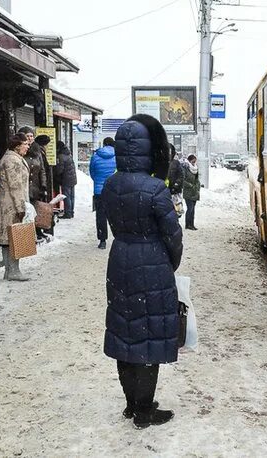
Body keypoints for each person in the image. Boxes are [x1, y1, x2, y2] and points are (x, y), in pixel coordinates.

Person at [102, 114, 183, 428]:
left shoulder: (111, 184)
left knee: (126, 330)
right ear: (149, 150)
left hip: (120, 258)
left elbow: (111, 221)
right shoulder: (155, 189)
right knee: (149, 337)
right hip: (152, 262)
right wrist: (170, 264)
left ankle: (131, 404)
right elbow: (172, 235)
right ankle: (145, 411)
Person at [0, 134, 31, 281]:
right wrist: (21, 207)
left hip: (10, 202)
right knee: (14, 237)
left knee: (10, 237)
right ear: (17, 145)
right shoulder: (12, 160)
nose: (28, 147)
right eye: (25, 144)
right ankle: (13, 270)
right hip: (11, 204)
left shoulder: (13, 158)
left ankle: (10, 270)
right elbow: (15, 186)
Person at [18, 127, 48, 242]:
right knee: (25, 210)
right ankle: (27, 235)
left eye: (31, 136)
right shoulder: (19, 150)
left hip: (35, 186)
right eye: (27, 136)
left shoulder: (37, 151)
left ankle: (37, 231)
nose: (30, 138)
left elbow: (42, 169)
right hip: (24, 186)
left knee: (35, 209)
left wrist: (43, 185)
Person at [89, 137, 116, 249]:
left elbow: (92, 172)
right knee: (116, 215)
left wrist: (98, 182)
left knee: (101, 215)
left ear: (104, 144)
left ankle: (102, 240)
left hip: (99, 191)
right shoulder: (117, 157)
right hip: (114, 190)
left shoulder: (95, 156)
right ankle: (118, 237)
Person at [54, 141, 77, 219]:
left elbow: (59, 170)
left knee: (66, 196)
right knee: (71, 196)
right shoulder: (68, 154)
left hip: (66, 179)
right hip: (72, 178)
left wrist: (55, 173)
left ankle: (68, 213)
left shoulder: (61, 156)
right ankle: (71, 212)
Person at [183, 154, 200, 231]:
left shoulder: (196, 169)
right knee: (190, 208)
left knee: (193, 209)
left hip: (194, 191)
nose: (194, 162)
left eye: (195, 161)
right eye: (193, 161)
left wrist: (197, 186)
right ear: (189, 160)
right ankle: (188, 224)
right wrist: (189, 185)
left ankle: (192, 224)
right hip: (188, 191)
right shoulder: (185, 168)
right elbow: (182, 180)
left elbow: (197, 179)